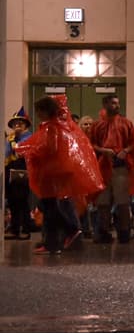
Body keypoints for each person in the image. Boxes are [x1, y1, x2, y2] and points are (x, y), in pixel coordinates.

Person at [17, 95, 103, 257]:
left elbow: (50, 149)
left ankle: (66, 233)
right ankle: (55, 241)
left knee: (50, 208)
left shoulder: (52, 128)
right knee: (50, 207)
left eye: (39, 111)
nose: (37, 114)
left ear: (45, 111)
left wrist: (29, 151)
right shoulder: (56, 126)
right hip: (54, 173)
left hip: (50, 175)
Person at [87, 94, 134, 244]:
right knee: (103, 202)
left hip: (120, 167)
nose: (117, 106)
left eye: (118, 103)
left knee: (122, 202)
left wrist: (125, 150)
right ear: (105, 104)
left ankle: (124, 233)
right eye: (113, 103)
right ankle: (103, 232)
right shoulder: (97, 125)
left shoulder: (126, 123)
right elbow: (91, 144)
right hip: (102, 167)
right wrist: (103, 150)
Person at [5, 108, 34, 240]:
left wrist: (15, 140)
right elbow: (6, 153)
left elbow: (21, 151)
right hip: (10, 170)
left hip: (23, 170)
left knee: (22, 201)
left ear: (26, 125)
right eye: (15, 123)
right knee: (12, 201)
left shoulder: (29, 137)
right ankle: (14, 229)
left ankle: (26, 229)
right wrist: (11, 140)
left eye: (20, 123)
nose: (17, 125)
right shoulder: (10, 138)